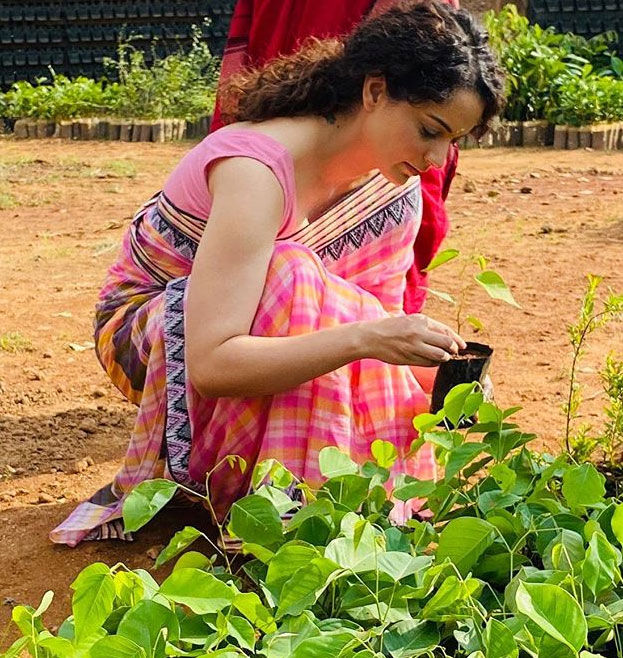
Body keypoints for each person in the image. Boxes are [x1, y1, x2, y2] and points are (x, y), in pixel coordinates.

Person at [51, 0, 505, 546]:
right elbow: (213, 365)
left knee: (324, 306)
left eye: (451, 141)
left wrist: (438, 377)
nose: (436, 159)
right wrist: (366, 338)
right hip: (154, 338)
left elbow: (368, 317)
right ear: (375, 91)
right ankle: (284, 518)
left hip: (263, 335)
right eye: (429, 130)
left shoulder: (393, 192)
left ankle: (328, 510)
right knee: (291, 276)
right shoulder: (257, 170)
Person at [210, 0, 460, 326]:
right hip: (356, 136)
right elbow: (423, 65)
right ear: (373, 90)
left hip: (282, 112)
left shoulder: (243, 157)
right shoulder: (250, 168)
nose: (439, 158)